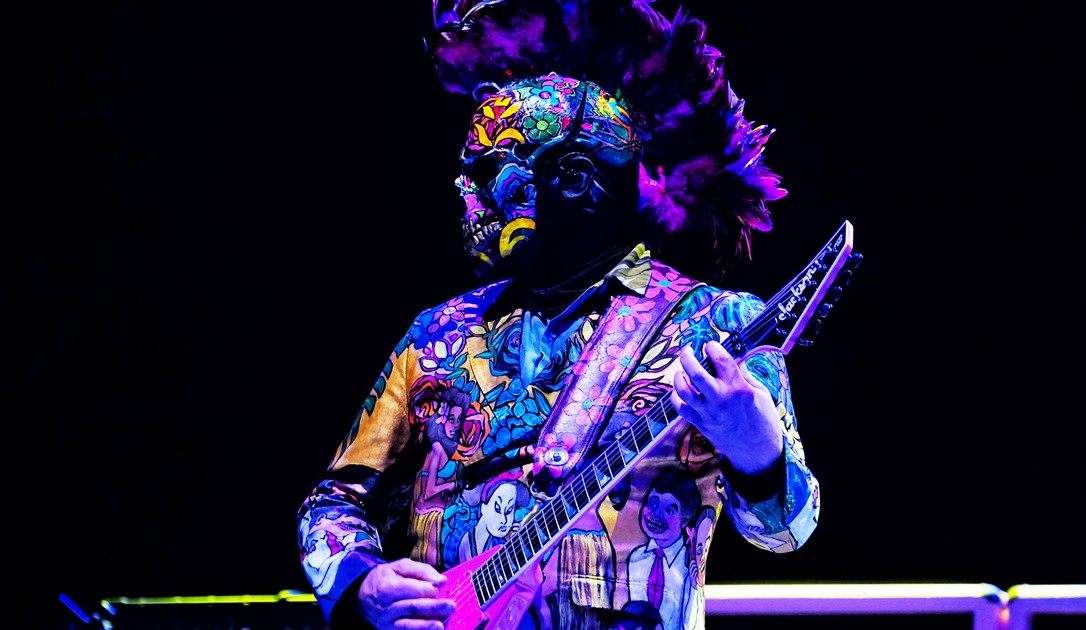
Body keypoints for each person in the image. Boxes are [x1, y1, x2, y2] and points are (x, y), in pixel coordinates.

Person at [296, 2, 822, 629]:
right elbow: (334, 500)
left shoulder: (719, 324)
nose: (466, 196)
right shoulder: (436, 332)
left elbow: (788, 531)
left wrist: (756, 447)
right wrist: (361, 584)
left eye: (488, 174)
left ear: (574, 179)